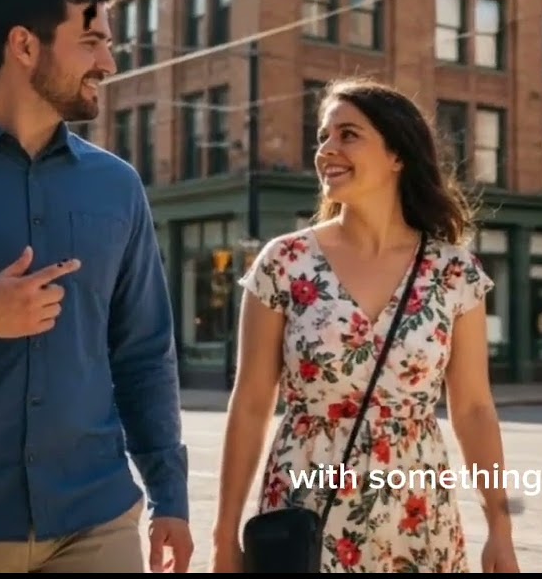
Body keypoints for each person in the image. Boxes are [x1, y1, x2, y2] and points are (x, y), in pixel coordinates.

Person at [0, 0, 192, 572]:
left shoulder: (117, 186)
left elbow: (143, 353)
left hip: (95, 519)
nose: (108, 63)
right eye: (91, 42)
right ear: (24, 45)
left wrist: (172, 497)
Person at [211, 78, 520, 573]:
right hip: (304, 508)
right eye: (322, 137)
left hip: (416, 516)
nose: (327, 150)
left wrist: (500, 532)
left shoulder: (453, 272)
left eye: (348, 134)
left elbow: (476, 409)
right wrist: (225, 536)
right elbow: (249, 404)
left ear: (398, 155)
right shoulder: (285, 261)